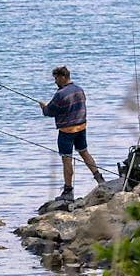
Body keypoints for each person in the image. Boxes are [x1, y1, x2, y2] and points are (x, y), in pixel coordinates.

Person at [39, 66, 104, 201]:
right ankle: (100, 179)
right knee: (84, 153)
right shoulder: (79, 90)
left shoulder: (60, 94)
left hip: (66, 132)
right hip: (81, 128)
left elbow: (50, 112)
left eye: (56, 78)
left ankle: (68, 191)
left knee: (66, 159)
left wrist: (43, 108)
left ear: (63, 77)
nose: (55, 81)